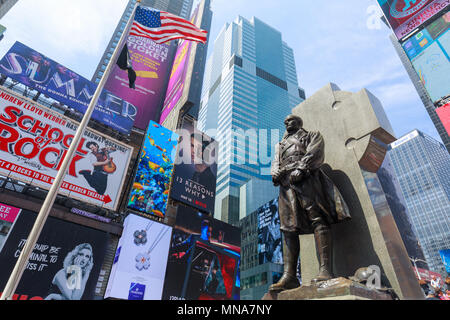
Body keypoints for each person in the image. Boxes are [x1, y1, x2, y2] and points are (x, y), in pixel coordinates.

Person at [269, 114, 351, 291]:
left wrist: (302, 167)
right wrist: (275, 171)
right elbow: (275, 161)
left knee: (318, 219)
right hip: (285, 184)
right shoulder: (280, 145)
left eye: (290, 120)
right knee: (287, 228)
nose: (286, 123)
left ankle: (325, 270)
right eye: (285, 122)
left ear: (299, 122)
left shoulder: (312, 135)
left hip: (307, 179)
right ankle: (289, 276)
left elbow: (315, 152)